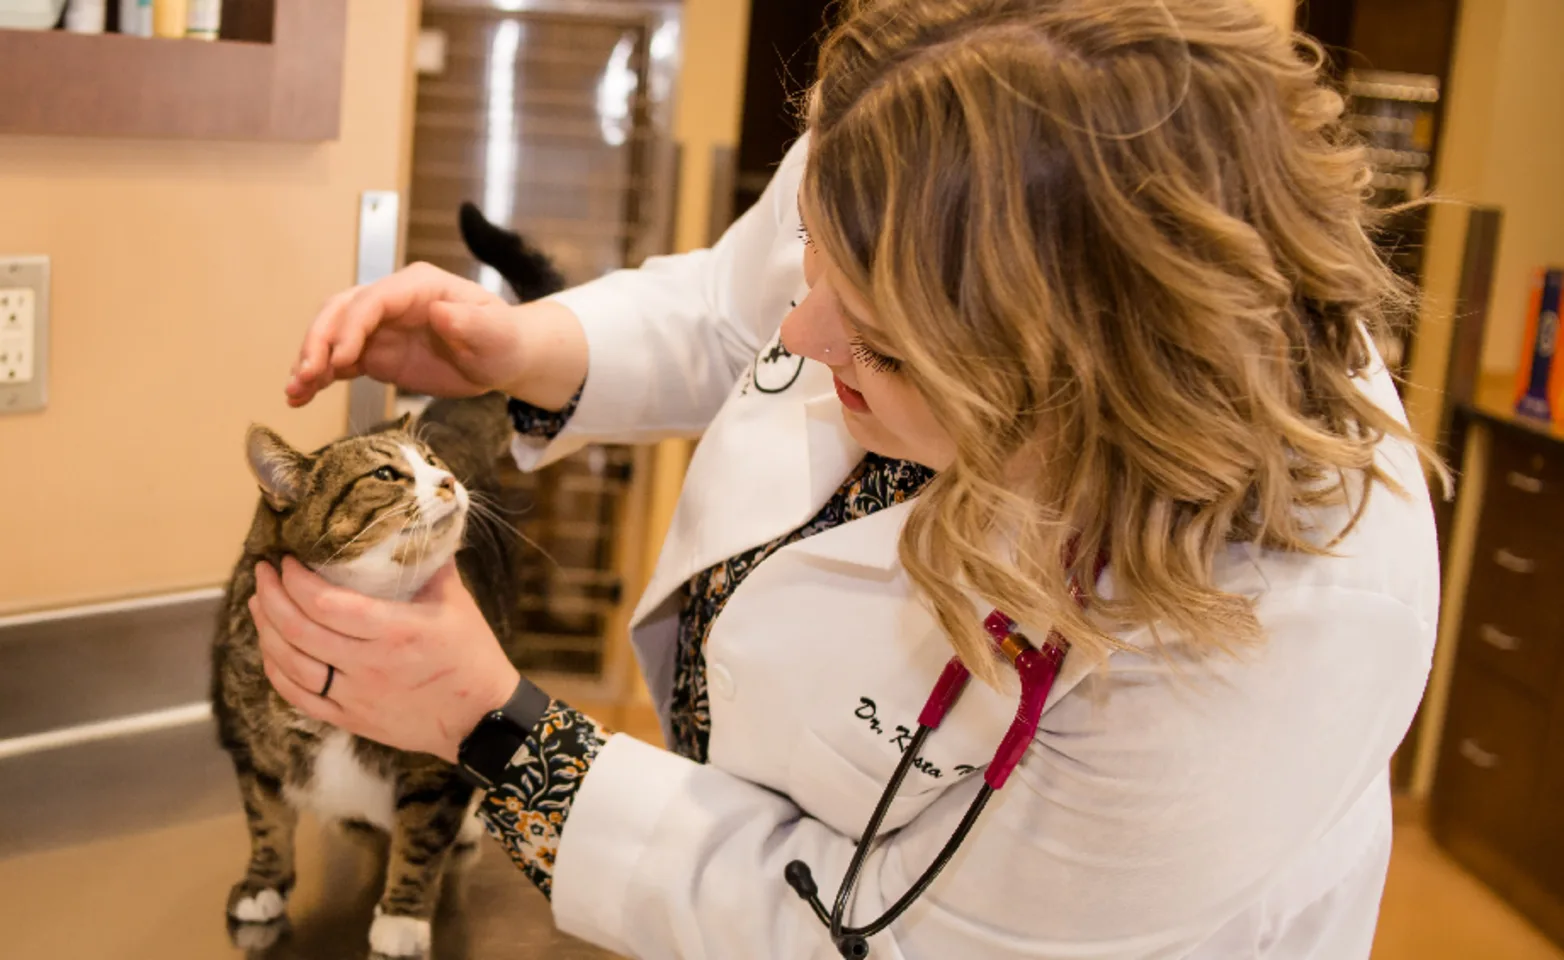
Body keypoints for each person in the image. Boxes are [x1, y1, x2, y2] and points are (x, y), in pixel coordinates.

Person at [250, 0, 1440, 956]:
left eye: (880, 338)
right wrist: (534, 347)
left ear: (1067, 380)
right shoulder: (924, 153)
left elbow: (885, 937)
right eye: (815, 263)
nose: (805, 341)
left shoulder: (1270, 632)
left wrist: (491, 727)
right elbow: (735, 311)